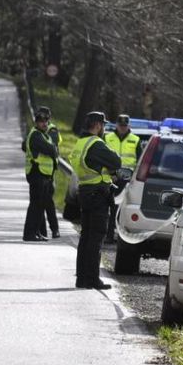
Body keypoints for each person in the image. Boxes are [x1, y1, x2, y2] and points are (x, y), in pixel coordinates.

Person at [71, 111, 122, 290]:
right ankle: (92, 279)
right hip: (98, 195)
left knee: (86, 237)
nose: (104, 129)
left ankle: (81, 278)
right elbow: (116, 161)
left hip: (85, 192)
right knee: (96, 238)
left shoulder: (80, 142)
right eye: (104, 125)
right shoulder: (96, 144)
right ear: (98, 125)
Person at [104, 114, 141, 242]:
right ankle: (107, 235)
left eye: (125, 126)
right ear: (116, 125)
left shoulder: (135, 139)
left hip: (126, 180)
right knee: (107, 207)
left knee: (121, 210)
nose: (123, 128)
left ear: (128, 126)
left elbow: (140, 162)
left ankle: (119, 237)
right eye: (121, 126)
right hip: (110, 177)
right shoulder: (107, 137)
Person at [22, 111, 58, 242]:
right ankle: (29, 234)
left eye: (46, 121)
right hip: (37, 173)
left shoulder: (43, 135)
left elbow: (53, 150)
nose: (44, 124)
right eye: (41, 121)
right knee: (35, 206)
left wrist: (53, 149)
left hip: (44, 175)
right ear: (36, 122)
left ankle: (36, 232)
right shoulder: (36, 135)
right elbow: (51, 150)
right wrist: (53, 149)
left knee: (39, 206)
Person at [37, 106, 61, 239]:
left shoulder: (52, 129)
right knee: (39, 202)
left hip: (49, 171)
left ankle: (55, 229)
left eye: (44, 116)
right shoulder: (37, 129)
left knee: (48, 202)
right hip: (38, 170)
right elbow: (25, 144)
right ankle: (42, 231)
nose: (42, 120)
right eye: (39, 116)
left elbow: (52, 147)